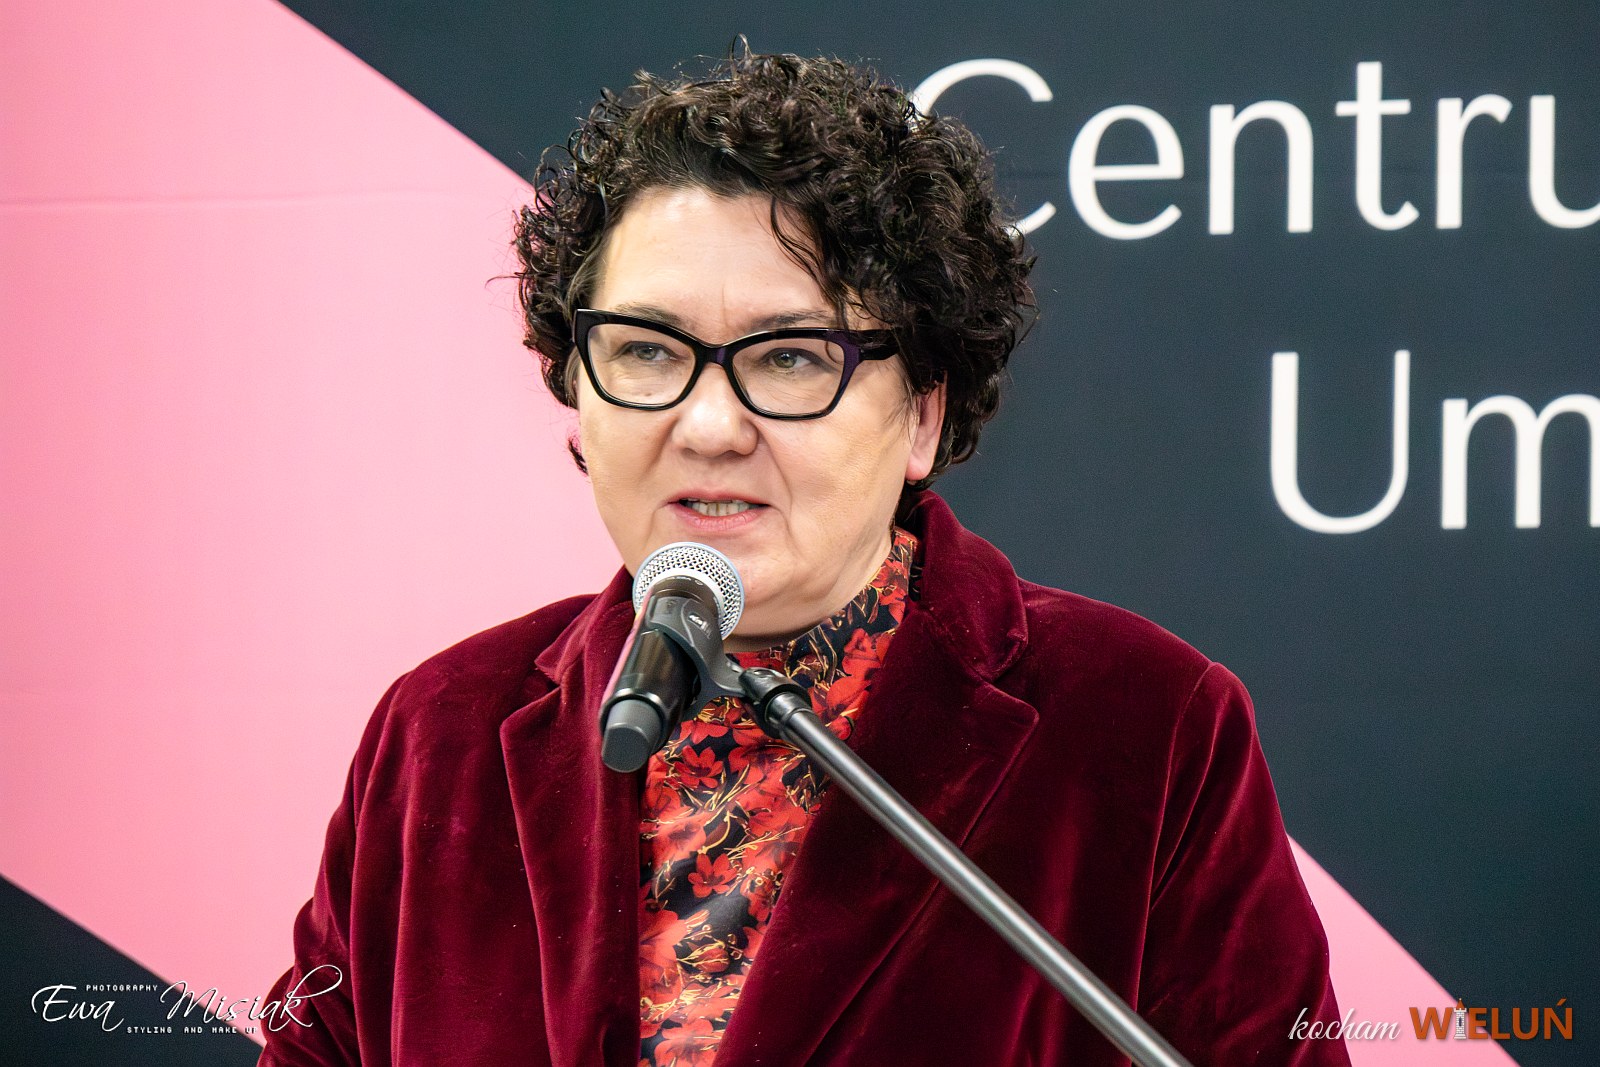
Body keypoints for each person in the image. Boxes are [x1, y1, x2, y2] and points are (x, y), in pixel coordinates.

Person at [260, 48, 1351, 1067]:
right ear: (578, 385)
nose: (707, 424)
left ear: (922, 412)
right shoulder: (438, 732)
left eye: (788, 357)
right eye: (645, 349)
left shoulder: (1145, 726)